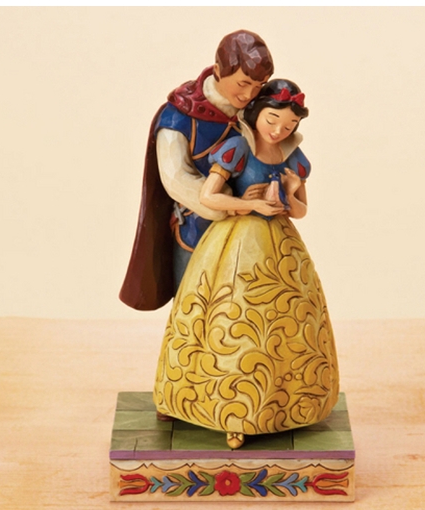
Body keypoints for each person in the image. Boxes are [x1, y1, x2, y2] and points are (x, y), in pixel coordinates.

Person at [153, 79, 340, 449]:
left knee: (285, 322)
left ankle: (283, 404)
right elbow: (209, 196)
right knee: (229, 316)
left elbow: (301, 211)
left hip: (280, 245)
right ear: (256, 114)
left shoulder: (293, 157)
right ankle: (230, 411)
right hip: (235, 242)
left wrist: (289, 194)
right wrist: (249, 204)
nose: (279, 131)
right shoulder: (237, 147)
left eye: (289, 125)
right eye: (272, 120)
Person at [119, 30, 274, 311]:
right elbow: (176, 179)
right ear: (218, 71)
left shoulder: (258, 108)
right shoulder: (178, 118)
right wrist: (228, 204)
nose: (249, 94)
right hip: (197, 230)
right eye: (243, 83)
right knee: (195, 301)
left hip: (253, 230)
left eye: (258, 86)